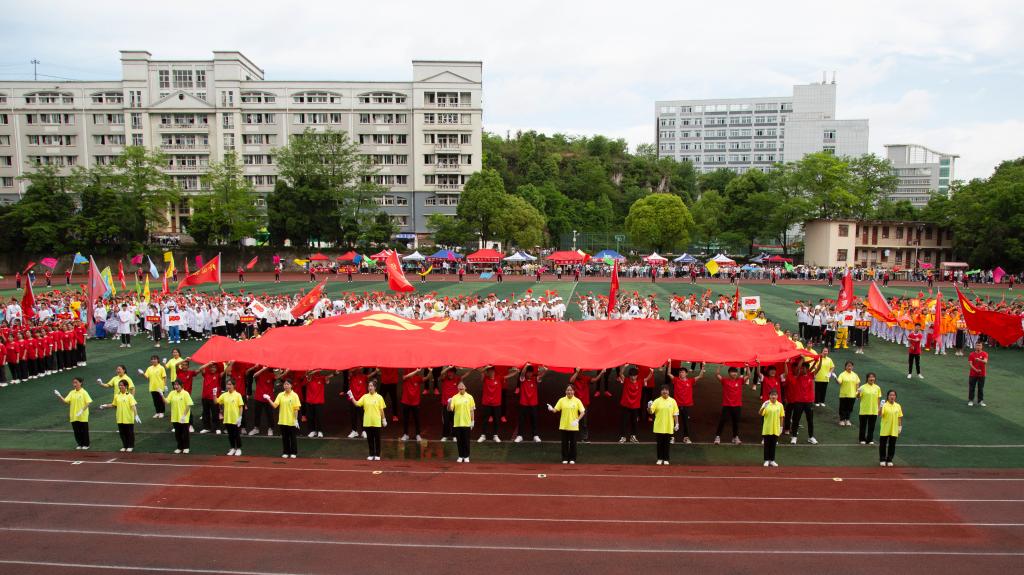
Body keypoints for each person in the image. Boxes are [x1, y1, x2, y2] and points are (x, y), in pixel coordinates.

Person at [349, 381, 386, 461]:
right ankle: (371, 454)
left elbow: (381, 410)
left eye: (371, 386)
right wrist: (351, 396)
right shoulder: (365, 396)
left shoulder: (379, 397)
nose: (370, 387)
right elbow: (357, 404)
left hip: (376, 422)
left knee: (377, 439)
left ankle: (377, 454)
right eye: (369, 386)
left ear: (375, 387)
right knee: (370, 439)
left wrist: (384, 420)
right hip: (367, 422)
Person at [99, 380, 139, 452]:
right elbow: (113, 405)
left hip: (128, 418)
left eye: (122, 385)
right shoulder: (117, 395)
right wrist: (105, 406)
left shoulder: (129, 396)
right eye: (119, 385)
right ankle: (125, 446)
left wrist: (136, 415)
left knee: (129, 433)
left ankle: (130, 446)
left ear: (126, 386)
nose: (120, 386)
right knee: (122, 433)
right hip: (120, 418)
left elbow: (133, 406)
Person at [549, 384, 585, 464]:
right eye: (568, 390)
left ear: (574, 391)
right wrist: (551, 409)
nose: (569, 392)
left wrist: (577, 420)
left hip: (573, 426)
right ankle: (565, 458)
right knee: (564, 443)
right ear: (565, 391)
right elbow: (555, 410)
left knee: (573, 443)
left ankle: (572, 458)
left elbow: (583, 412)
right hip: (564, 425)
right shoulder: (561, 400)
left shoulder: (577, 401)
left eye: (571, 390)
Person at [266, 380, 301, 458]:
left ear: (291, 385)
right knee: (285, 438)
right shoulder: (280, 395)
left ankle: (293, 452)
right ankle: (286, 452)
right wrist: (268, 399)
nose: (286, 386)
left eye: (287, 384)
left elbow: (296, 409)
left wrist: (296, 420)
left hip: (291, 421)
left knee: (292, 438)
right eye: (285, 384)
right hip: (282, 420)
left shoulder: (295, 395)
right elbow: (275, 405)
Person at [788, 357, 819, 445]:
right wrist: (802, 359)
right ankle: (794, 437)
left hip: (809, 402)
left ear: (807, 369)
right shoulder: (797, 376)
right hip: (798, 401)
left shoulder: (810, 375)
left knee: (810, 420)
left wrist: (818, 360)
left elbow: (818, 368)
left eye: (804, 368)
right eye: (802, 368)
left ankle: (811, 437)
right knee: (796, 420)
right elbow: (798, 368)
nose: (802, 369)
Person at [54, 377, 92, 450]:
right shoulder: (72, 392)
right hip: (74, 415)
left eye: (76, 382)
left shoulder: (84, 392)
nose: (74, 384)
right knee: (76, 431)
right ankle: (80, 444)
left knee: (84, 430)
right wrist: (59, 395)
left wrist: (81, 410)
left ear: (80, 383)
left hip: (82, 415)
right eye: (74, 382)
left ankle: (86, 444)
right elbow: (66, 401)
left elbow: (88, 402)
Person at [714, 366, 748, 445]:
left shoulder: (740, 381)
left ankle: (735, 437)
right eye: (732, 372)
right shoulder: (725, 381)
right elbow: (717, 374)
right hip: (727, 405)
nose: (734, 373)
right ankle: (717, 437)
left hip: (737, 406)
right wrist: (720, 366)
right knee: (722, 421)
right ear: (729, 373)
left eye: (735, 372)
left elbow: (748, 375)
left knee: (736, 422)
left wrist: (747, 367)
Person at [514, 364, 546, 443]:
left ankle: (535, 435)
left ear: (532, 373)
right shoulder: (522, 379)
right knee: (521, 420)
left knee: (534, 420)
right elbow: (522, 374)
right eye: (528, 372)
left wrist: (545, 369)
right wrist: (526, 366)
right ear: (526, 373)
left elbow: (541, 376)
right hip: (523, 403)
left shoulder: (535, 379)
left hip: (533, 403)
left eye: (530, 372)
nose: (529, 374)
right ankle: (519, 436)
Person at [671, 364, 702, 444]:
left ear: (686, 373)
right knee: (673, 421)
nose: (681, 373)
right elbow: (668, 374)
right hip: (676, 405)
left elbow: (700, 376)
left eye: (683, 372)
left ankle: (686, 438)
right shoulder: (676, 380)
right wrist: (670, 363)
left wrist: (703, 367)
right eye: (680, 372)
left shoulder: (690, 381)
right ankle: (672, 437)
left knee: (685, 422)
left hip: (686, 405)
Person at [648, 385, 679, 465]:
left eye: (666, 390)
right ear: (661, 392)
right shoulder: (657, 401)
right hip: (659, 426)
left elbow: (675, 413)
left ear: (669, 392)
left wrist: (677, 424)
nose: (665, 391)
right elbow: (650, 412)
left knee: (667, 444)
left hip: (669, 426)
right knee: (660, 444)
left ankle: (666, 459)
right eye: (663, 390)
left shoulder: (673, 401)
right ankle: (660, 458)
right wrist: (649, 407)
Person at [163, 379, 193, 454]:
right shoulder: (172, 393)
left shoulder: (185, 393)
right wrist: (161, 395)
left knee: (185, 434)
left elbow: (189, 405)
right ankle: (179, 447)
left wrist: (184, 416)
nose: (175, 386)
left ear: (181, 385)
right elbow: (166, 401)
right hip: (175, 417)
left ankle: (186, 447)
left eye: (177, 385)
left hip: (183, 418)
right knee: (178, 434)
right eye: (174, 385)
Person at [217, 379, 245, 456]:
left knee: (236, 434)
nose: (228, 386)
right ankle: (232, 448)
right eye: (227, 384)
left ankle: (238, 449)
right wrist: (214, 394)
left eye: (230, 384)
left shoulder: (238, 395)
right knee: (230, 435)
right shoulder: (224, 395)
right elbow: (216, 401)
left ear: (234, 385)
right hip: (227, 419)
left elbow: (241, 407)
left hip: (235, 419)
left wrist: (240, 417)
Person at [449, 382, 476, 463]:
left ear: (465, 388)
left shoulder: (470, 397)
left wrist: (472, 421)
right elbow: (450, 409)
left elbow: (472, 410)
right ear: (458, 388)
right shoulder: (454, 397)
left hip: (467, 423)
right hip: (457, 423)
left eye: (462, 386)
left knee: (466, 440)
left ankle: (466, 456)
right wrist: (449, 402)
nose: (461, 387)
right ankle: (460, 456)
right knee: (459, 441)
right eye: (459, 386)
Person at [617, 366, 644, 443]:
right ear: (629, 376)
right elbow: (620, 373)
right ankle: (623, 437)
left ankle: (633, 437)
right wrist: (624, 367)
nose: (633, 377)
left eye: (634, 375)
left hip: (635, 406)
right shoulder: (626, 381)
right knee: (624, 422)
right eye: (631, 375)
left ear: (637, 375)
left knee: (634, 422)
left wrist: (651, 372)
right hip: (626, 405)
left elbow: (647, 378)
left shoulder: (640, 382)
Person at [878, 390, 904, 467]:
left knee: (892, 445)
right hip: (885, 428)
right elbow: (880, 414)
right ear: (888, 396)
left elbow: (899, 417)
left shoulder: (898, 406)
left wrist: (900, 426)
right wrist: (881, 406)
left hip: (894, 429)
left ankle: (889, 459)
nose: (892, 397)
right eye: (890, 395)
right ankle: (882, 459)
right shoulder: (884, 405)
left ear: (895, 397)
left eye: (893, 395)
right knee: (883, 445)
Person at [400, 368, 426, 441]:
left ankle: (418, 434)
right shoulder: (405, 377)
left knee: (417, 419)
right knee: (406, 419)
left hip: (415, 402)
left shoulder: (417, 378)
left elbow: (425, 378)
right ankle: (405, 434)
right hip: (406, 401)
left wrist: (430, 372)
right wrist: (416, 371)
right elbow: (405, 377)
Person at [759, 389, 784, 467]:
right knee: (767, 445)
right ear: (769, 396)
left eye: (775, 395)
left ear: (777, 396)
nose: (773, 396)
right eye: (772, 395)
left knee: (773, 445)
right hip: (767, 428)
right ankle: (766, 460)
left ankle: (772, 460)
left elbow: (781, 417)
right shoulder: (766, 403)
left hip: (775, 428)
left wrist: (781, 427)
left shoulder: (780, 405)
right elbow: (760, 413)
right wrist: (763, 407)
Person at [856, 372, 883, 445]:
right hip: (864, 410)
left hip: (873, 410)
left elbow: (878, 398)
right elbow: (858, 397)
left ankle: (870, 439)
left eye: (873, 377)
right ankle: (862, 439)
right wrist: (858, 392)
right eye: (870, 377)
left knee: (872, 426)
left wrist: (879, 408)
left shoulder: (877, 388)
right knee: (863, 426)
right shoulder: (862, 387)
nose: (872, 378)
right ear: (867, 378)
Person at [836, 361, 861, 427]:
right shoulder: (842, 374)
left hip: (852, 395)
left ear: (853, 367)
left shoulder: (855, 375)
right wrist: (835, 378)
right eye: (848, 366)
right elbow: (839, 382)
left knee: (849, 408)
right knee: (842, 408)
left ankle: (847, 420)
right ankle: (842, 420)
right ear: (845, 367)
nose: (849, 367)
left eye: (851, 366)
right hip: (843, 394)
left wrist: (857, 392)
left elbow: (857, 384)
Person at [967, 341, 988, 407]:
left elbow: (985, 361)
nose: (978, 347)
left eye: (979, 345)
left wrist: (979, 360)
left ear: (982, 347)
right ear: (975, 346)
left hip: (982, 374)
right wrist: (976, 370)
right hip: (973, 374)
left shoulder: (985, 354)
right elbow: (970, 364)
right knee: (971, 388)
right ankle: (971, 400)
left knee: (980, 388)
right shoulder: (971, 354)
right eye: (977, 345)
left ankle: (980, 401)